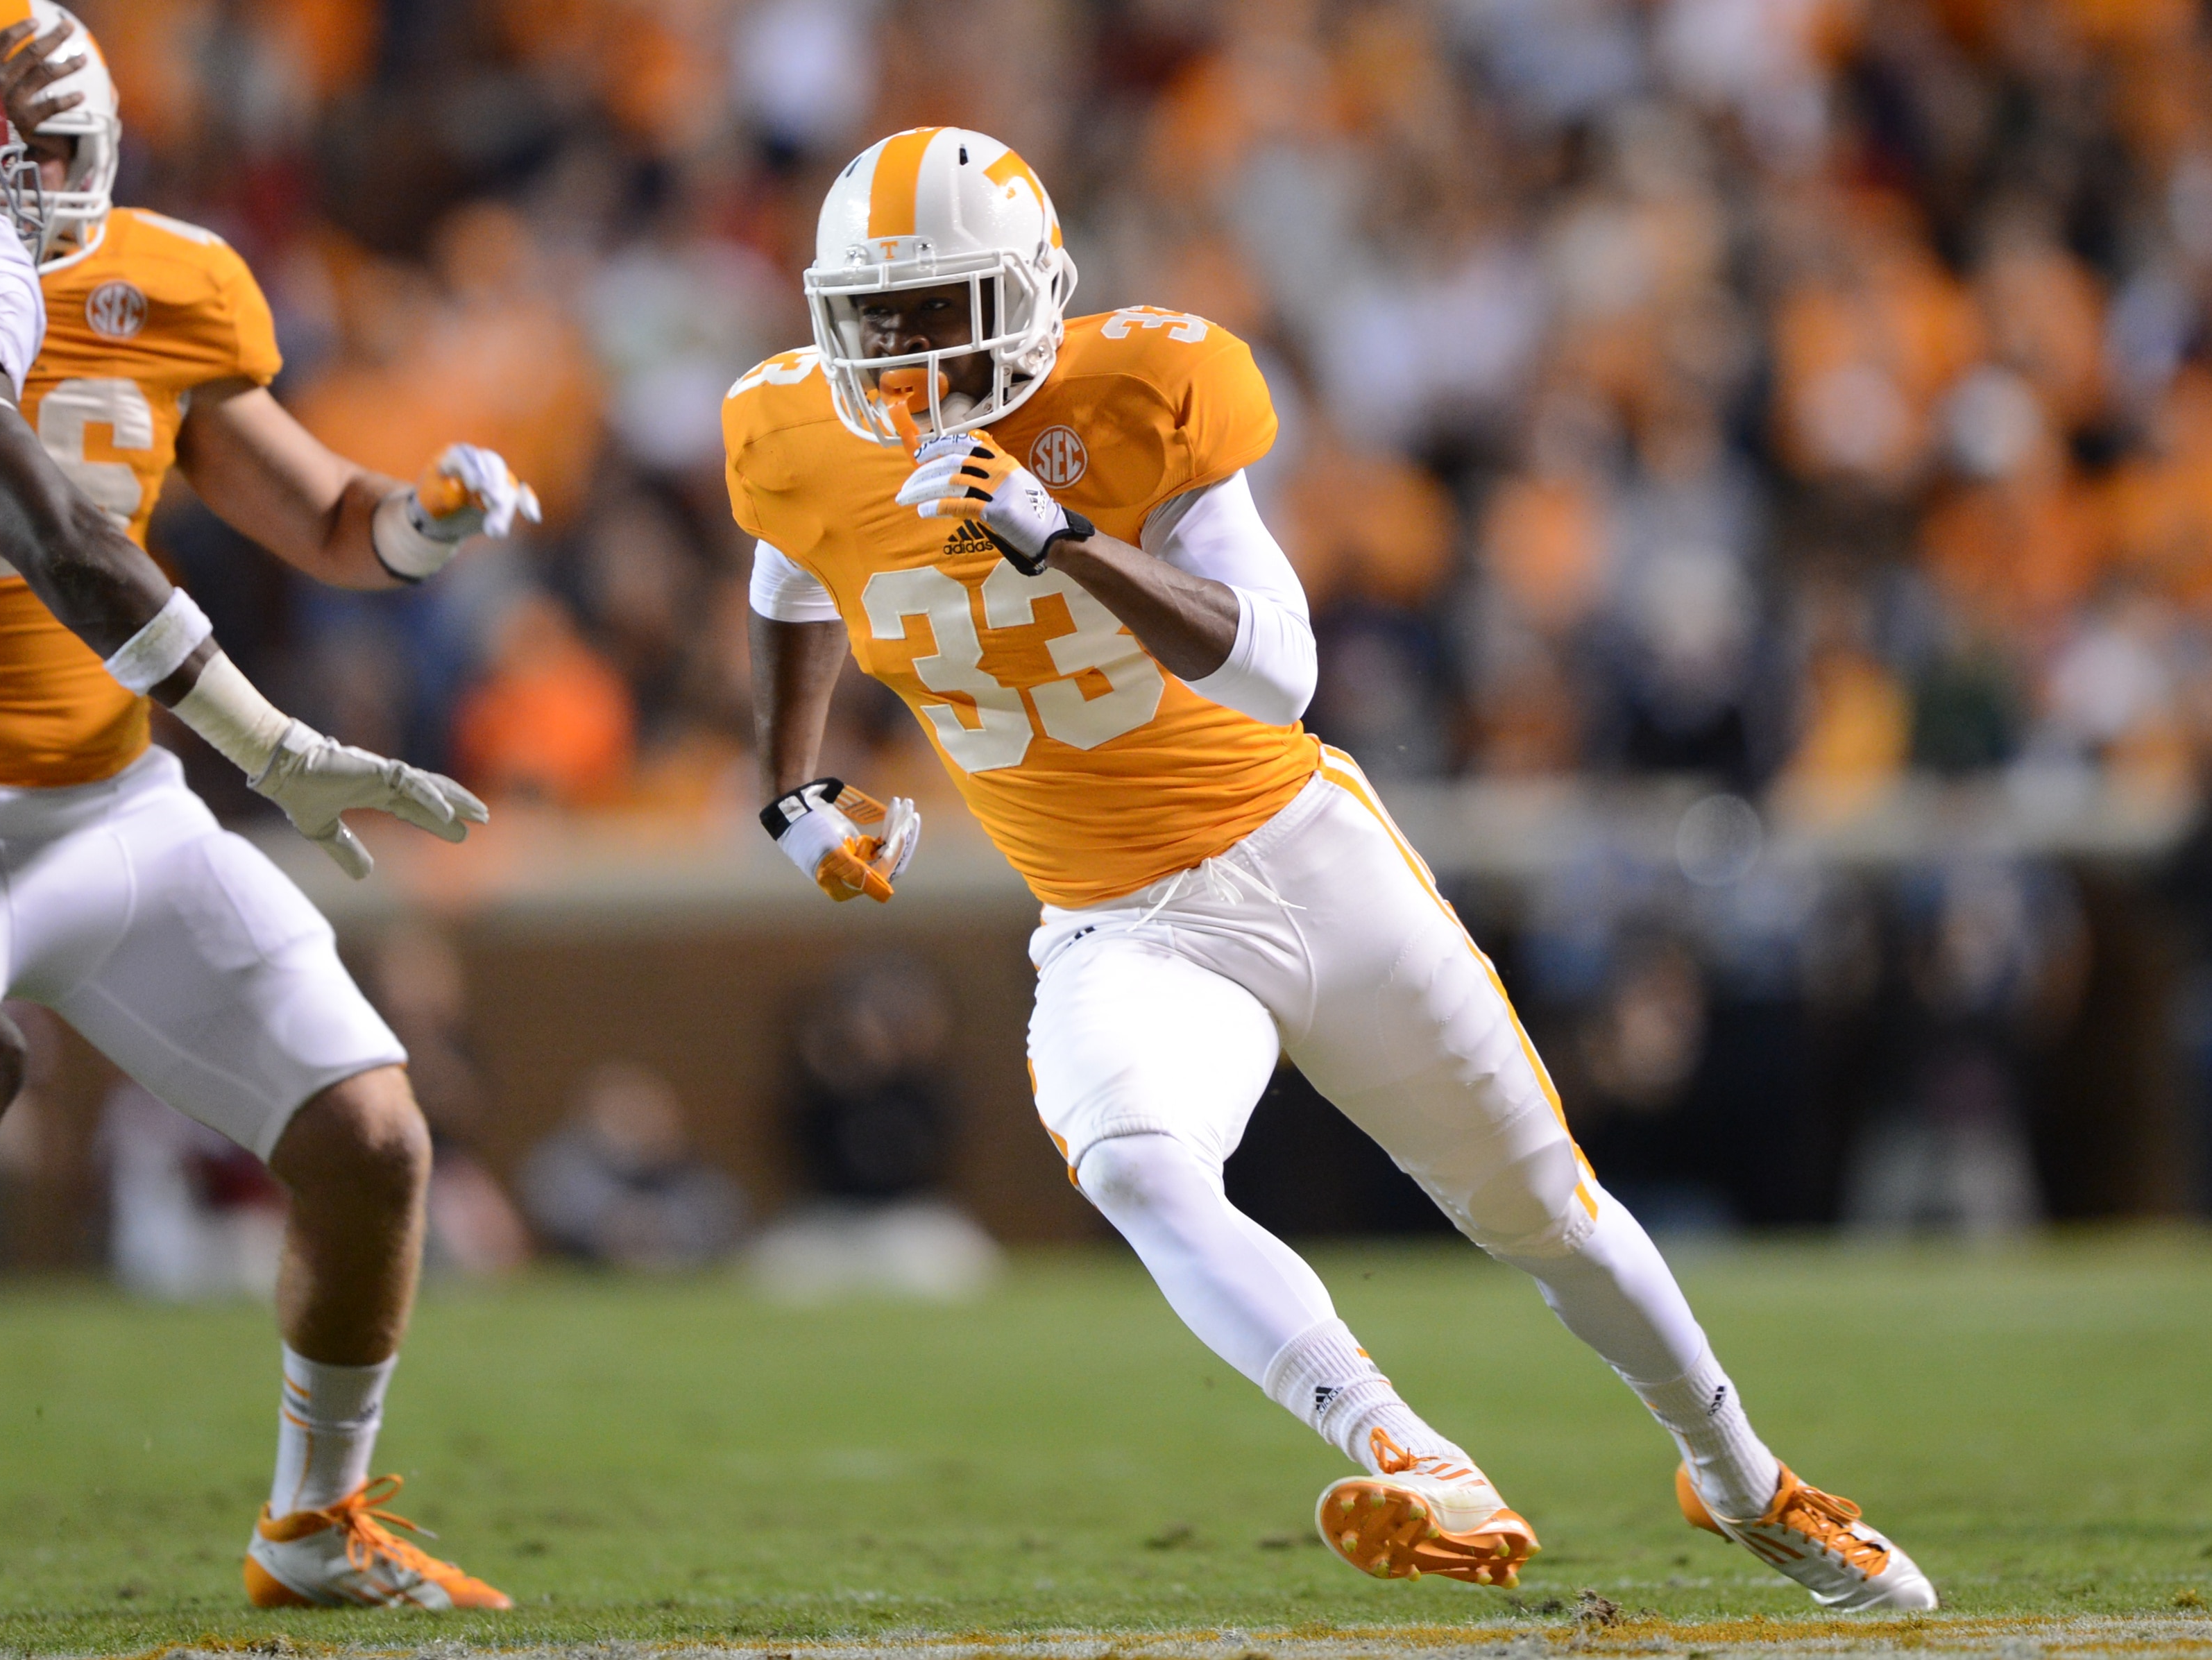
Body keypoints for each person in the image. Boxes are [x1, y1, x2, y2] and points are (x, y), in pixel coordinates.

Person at [728, 126, 1937, 1611]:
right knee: (1136, 1165)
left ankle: (1742, 1476)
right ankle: (1408, 1452)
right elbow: (791, 565)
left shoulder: (1136, 394)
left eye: (938, 308)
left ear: (1033, 293)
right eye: (874, 317)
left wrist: (1069, 540)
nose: (905, 356)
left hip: (1301, 860)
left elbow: (1281, 671)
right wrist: (790, 780)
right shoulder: (791, 429)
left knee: (1546, 1216)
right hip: (1117, 923)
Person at [0, 0, 535, 1616]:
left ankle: (314, 1523)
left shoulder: (161, 280)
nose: (31, 188)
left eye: (60, 154)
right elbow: (46, 536)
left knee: (369, 1132)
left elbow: (323, 513)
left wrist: (426, 528)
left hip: (116, 806)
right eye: (7, 153)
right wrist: (275, 743)